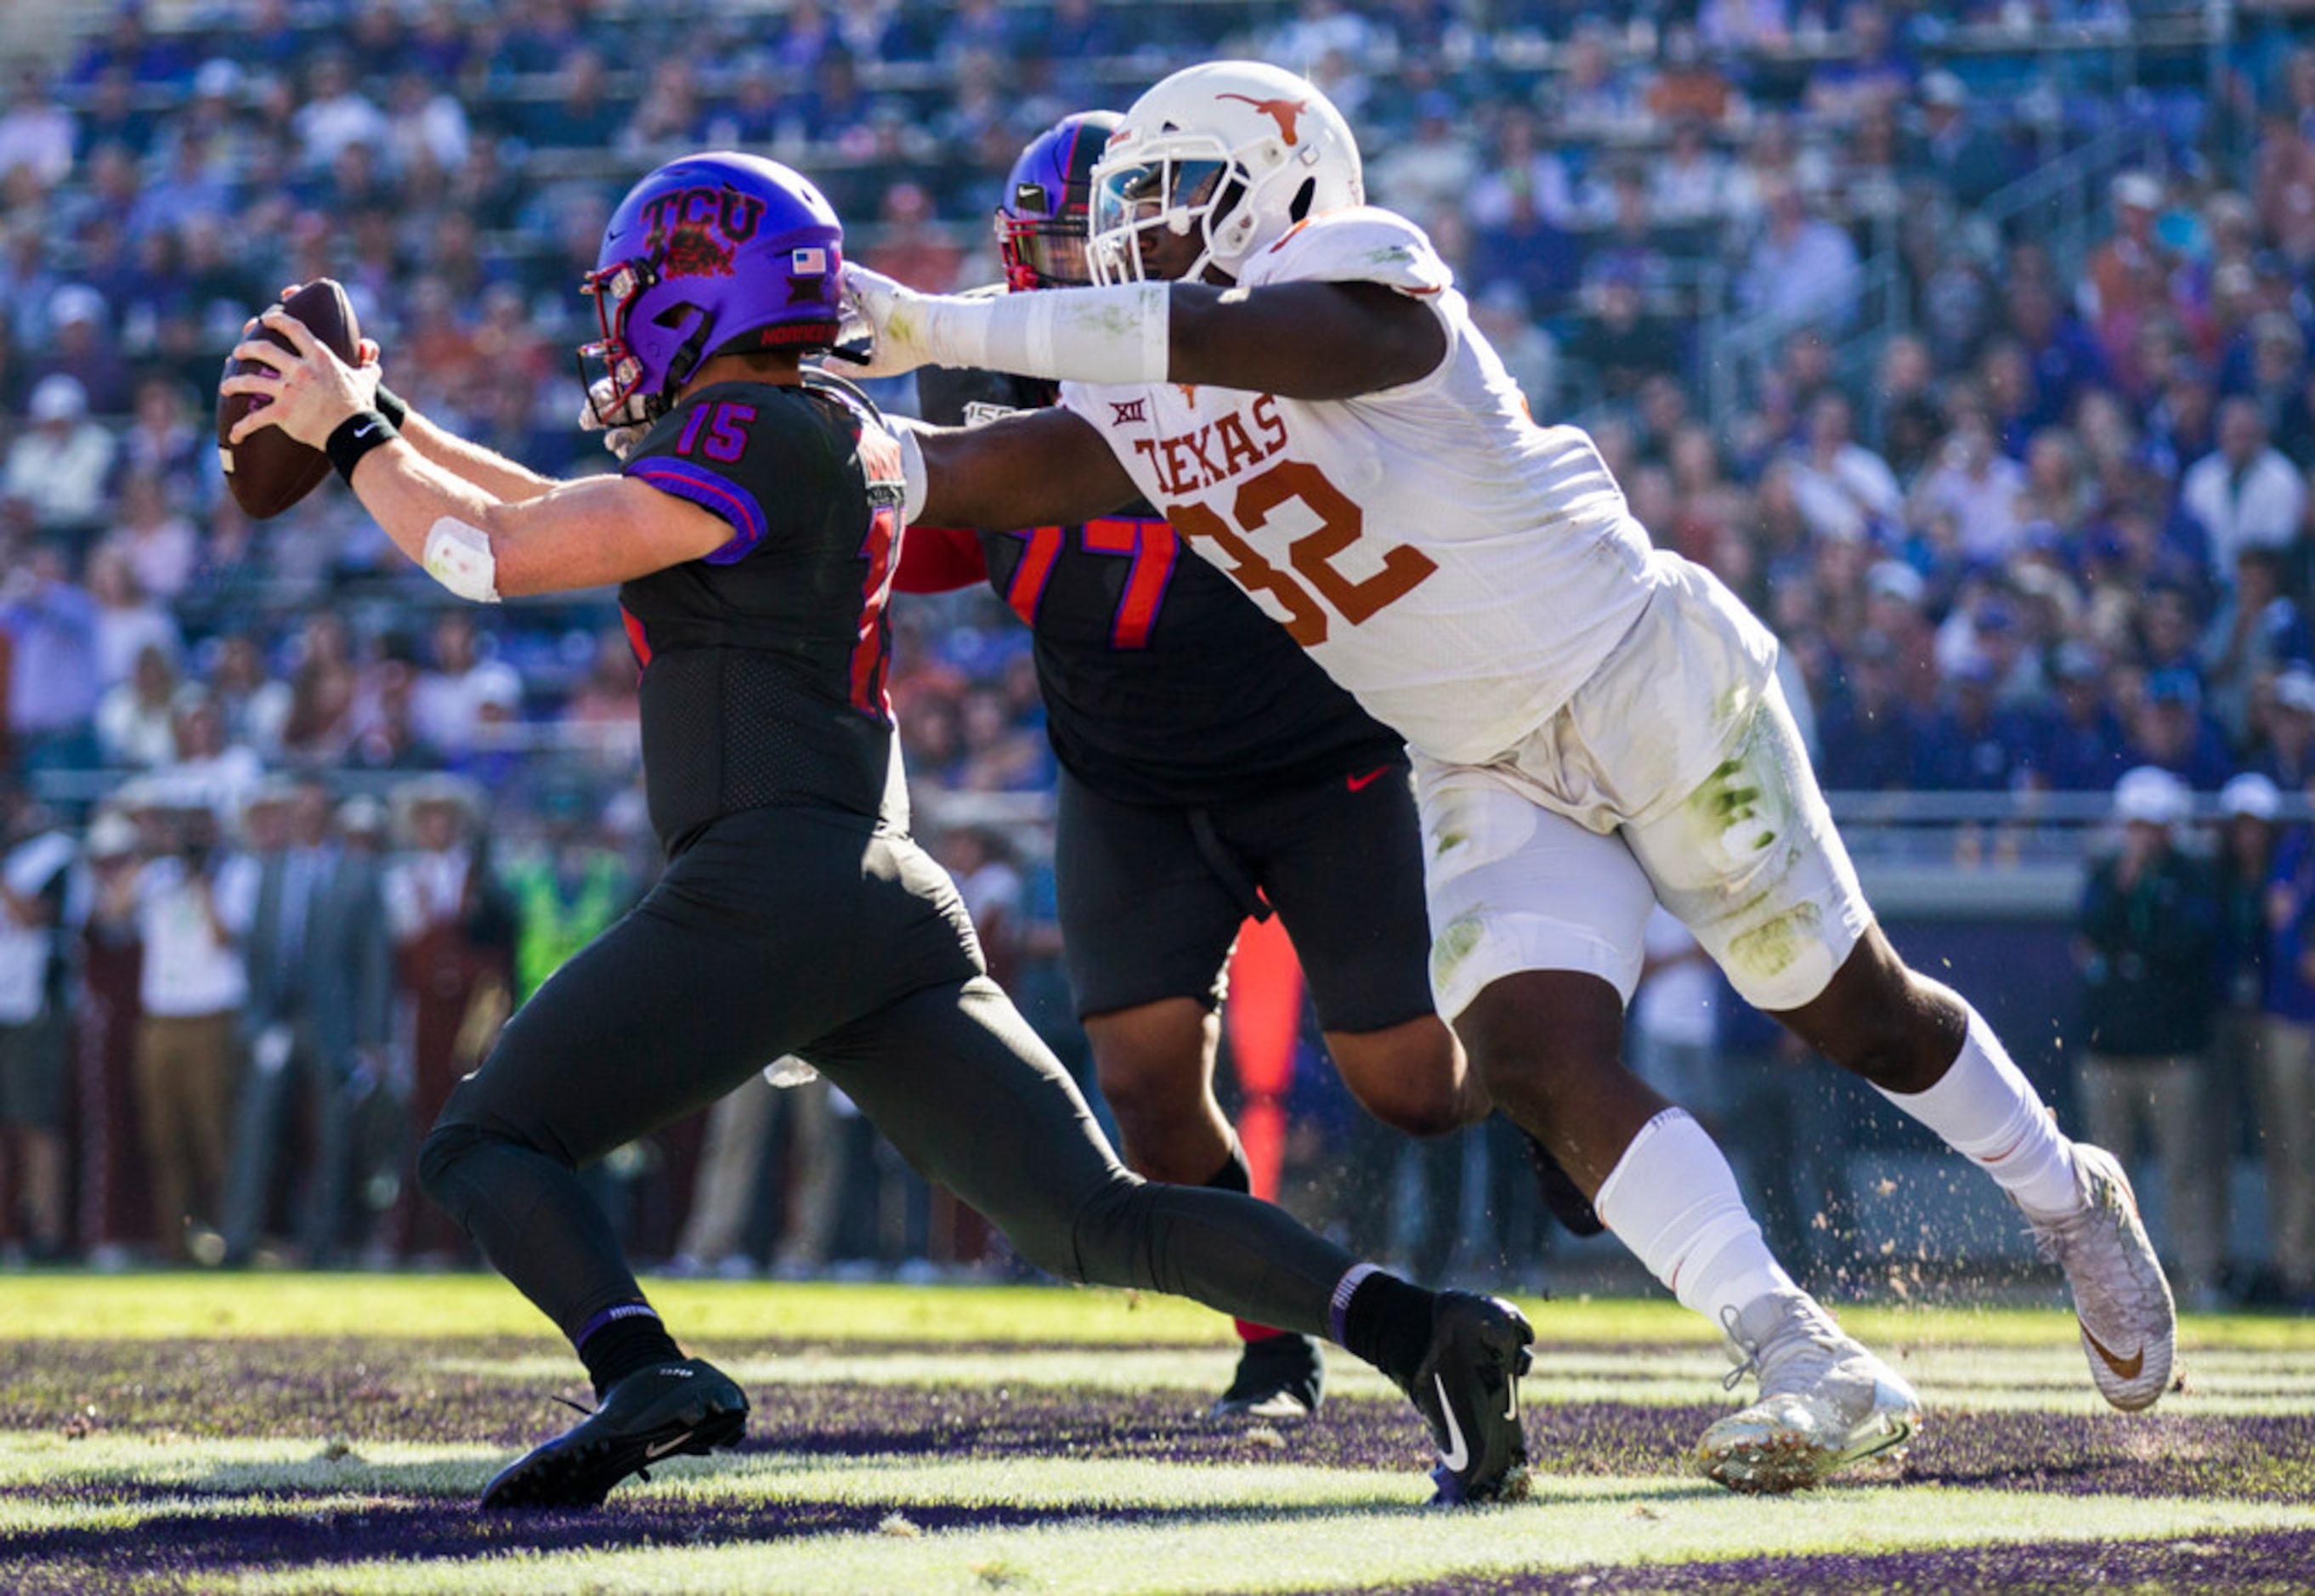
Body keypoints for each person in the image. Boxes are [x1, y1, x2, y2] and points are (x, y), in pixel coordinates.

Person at [841, 60, 2178, 1492]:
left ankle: (2062, 1193)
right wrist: (785, 434)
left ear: (1279, 180)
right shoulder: (1148, 404)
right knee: (1532, 1060)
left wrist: (939, 317)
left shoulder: (1356, 273)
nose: (1137, 233)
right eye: (1130, 209)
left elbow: (1236, 335)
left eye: (1170, 197)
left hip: (1635, 677)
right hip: (1480, 757)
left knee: (1849, 1008)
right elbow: (964, 476)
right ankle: (1802, 1352)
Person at [221, 150, 1533, 1511]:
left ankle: (639, 1369)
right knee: (1096, 1217)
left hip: (765, 882)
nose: (615, 326)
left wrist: (357, 439)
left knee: (482, 1141)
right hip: (881, 891)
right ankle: (1419, 1328)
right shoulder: (812, 429)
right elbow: (537, 514)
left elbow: (487, 556)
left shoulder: (750, 436)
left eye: (635, 296)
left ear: (690, 300)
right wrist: (385, 417)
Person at [896, 111, 1483, 1422]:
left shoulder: (1250, 347)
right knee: (1150, 1097)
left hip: (1320, 756)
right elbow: (941, 535)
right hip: (1128, 777)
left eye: (1103, 245)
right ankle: (1278, 1335)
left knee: (1414, 1089)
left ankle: (1545, 1081)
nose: (1080, 273)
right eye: (1055, 248)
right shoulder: (974, 370)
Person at [2075, 768, 2225, 1308]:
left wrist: (2134, 944)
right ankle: (2111, 1287)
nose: (2141, 836)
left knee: (2186, 1170)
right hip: (2109, 1048)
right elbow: (2092, 925)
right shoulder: (2107, 873)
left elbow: (2186, 944)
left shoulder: (2192, 876)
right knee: (2106, 1182)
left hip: (2172, 1053)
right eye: (2135, 824)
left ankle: (2198, 1276)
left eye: (2151, 825)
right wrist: (2127, 901)